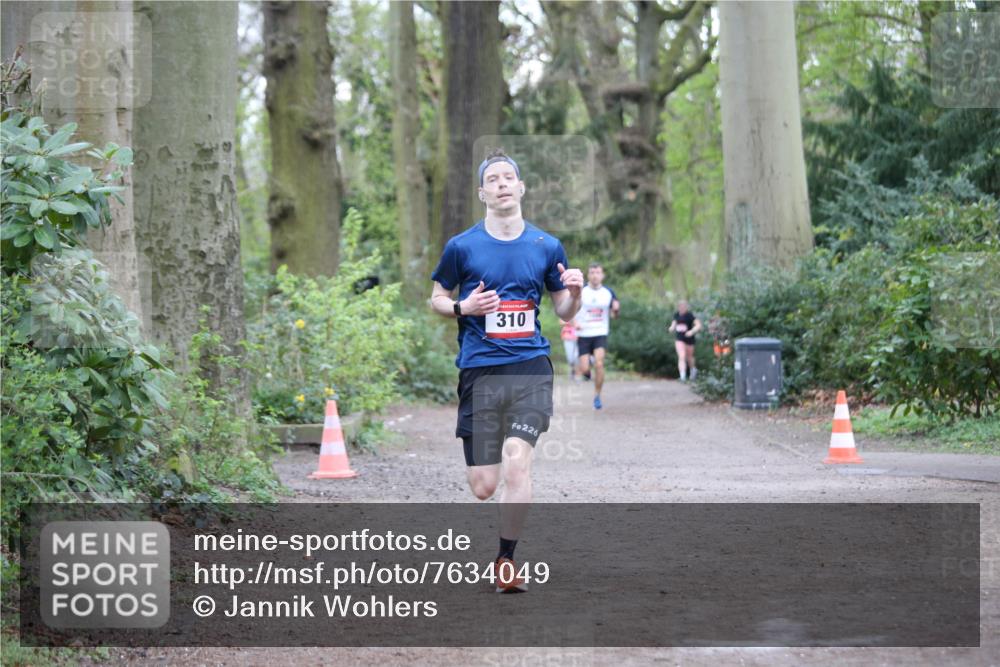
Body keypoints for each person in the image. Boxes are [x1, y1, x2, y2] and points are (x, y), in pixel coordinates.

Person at [429, 148, 584, 593]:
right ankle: (501, 542)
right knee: (483, 485)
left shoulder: (545, 245)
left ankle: (506, 560)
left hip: (530, 367)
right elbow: (437, 296)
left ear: (520, 188)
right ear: (482, 192)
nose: (500, 183)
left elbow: (565, 312)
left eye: (507, 177)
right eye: (492, 178)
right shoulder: (462, 246)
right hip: (479, 371)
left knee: (518, 462)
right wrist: (463, 306)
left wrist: (574, 292)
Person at [574, 263, 619, 409]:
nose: (595, 275)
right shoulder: (581, 291)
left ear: (602, 275)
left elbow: (614, 314)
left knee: (600, 364)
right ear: (588, 275)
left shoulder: (609, 293)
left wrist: (616, 310)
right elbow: (572, 309)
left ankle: (597, 396)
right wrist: (575, 323)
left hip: (600, 332)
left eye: (598, 272)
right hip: (584, 334)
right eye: (592, 272)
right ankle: (588, 366)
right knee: (585, 368)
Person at [668, 299, 702, 381]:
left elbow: (698, 325)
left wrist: (691, 331)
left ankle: (693, 370)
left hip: (689, 339)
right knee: (682, 356)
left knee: (689, 357)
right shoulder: (676, 315)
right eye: (680, 306)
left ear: (686, 307)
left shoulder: (690, 315)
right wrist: (671, 328)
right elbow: (674, 324)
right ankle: (682, 376)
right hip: (679, 339)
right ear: (678, 307)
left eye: (684, 306)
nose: (682, 308)